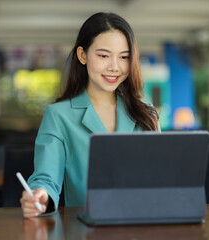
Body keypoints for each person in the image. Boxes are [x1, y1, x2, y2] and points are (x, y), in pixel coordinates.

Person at [20, 12, 160, 218]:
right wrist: (41, 197)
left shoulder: (145, 113)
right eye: (103, 56)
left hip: (143, 224)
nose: (114, 67)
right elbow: (46, 178)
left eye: (124, 57)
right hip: (87, 230)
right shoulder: (59, 116)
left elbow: (162, 178)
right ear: (82, 55)